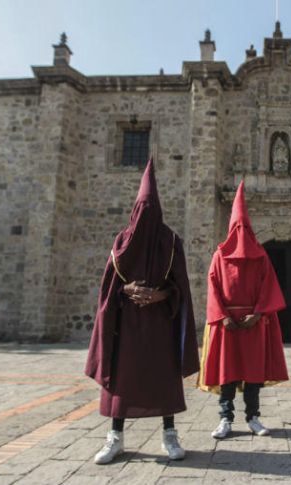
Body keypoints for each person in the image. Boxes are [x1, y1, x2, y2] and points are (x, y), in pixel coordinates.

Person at [84, 159, 199, 464]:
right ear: (135, 209)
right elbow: (109, 286)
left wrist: (160, 293)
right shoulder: (122, 241)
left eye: (151, 209)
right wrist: (127, 290)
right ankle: (115, 437)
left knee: (164, 377)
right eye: (141, 209)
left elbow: (181, 288)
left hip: (160, 322)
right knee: (123, 378)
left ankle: (170, 434)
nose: (145, 215)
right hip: (127, 324)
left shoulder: (170, 242)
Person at [197, 180, 289, 439]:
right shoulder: (219, 256)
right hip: (227, 323)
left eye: (244, 227)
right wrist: (223, 317)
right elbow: (213, 287)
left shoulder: (261, 257)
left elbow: (268, 286)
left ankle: (253, 417)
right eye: (236, 227)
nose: (240, 232)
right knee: (227, 373)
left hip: (253, 323)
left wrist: (258, 313)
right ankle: (225, 418)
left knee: (252, 372)